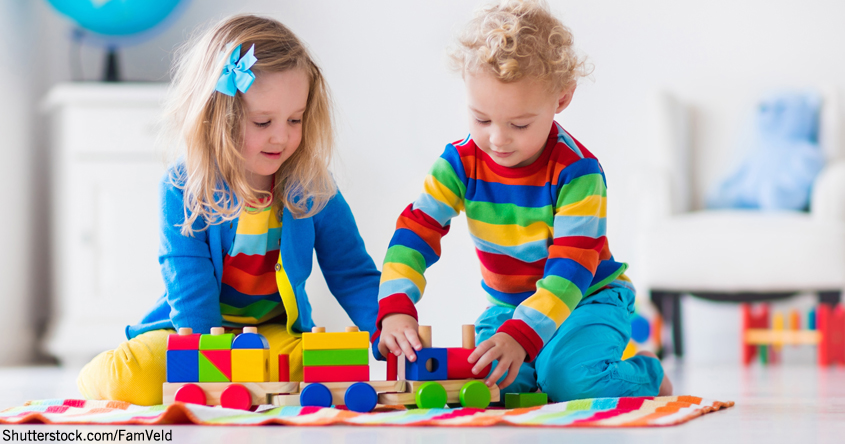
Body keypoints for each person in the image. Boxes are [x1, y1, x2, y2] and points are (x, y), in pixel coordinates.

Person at [77, 15, 380, 406]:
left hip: (269, 331)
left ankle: (248, 381)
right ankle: (98, 377)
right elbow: (187, 278)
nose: (282, 136)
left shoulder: (311, 185)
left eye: (295, 119)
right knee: (128, 378)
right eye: (262, 121)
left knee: (325, 367)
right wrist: (210, 361)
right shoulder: (184, 186)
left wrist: (385, 324)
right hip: (190, 330)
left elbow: (351, 269)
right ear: (219, 117)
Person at [376, 0, 671, 402]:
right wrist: (395, 306)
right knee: (492, 385)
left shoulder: (578, 173)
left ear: (562, 99)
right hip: (510, 306)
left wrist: (522, 335)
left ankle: (648, 374)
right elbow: (416, 231)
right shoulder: (458, 164)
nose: (497, 138)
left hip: (586, 298)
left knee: (569, 381)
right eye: (481, 119)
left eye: (519, 124)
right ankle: (539, 359)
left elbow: (571, 271)